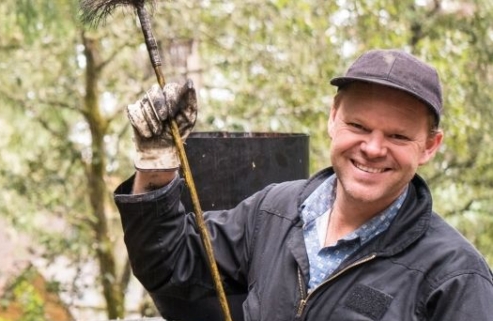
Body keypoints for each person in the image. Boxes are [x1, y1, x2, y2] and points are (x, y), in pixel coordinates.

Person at [113, 49, 493, 320]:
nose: (373, 148)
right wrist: (157, 164)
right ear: (333, 118)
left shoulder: (456, 278)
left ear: (429, 146)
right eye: (358, 126)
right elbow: (171, 264)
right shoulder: (274, 211)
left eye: (397, 136)